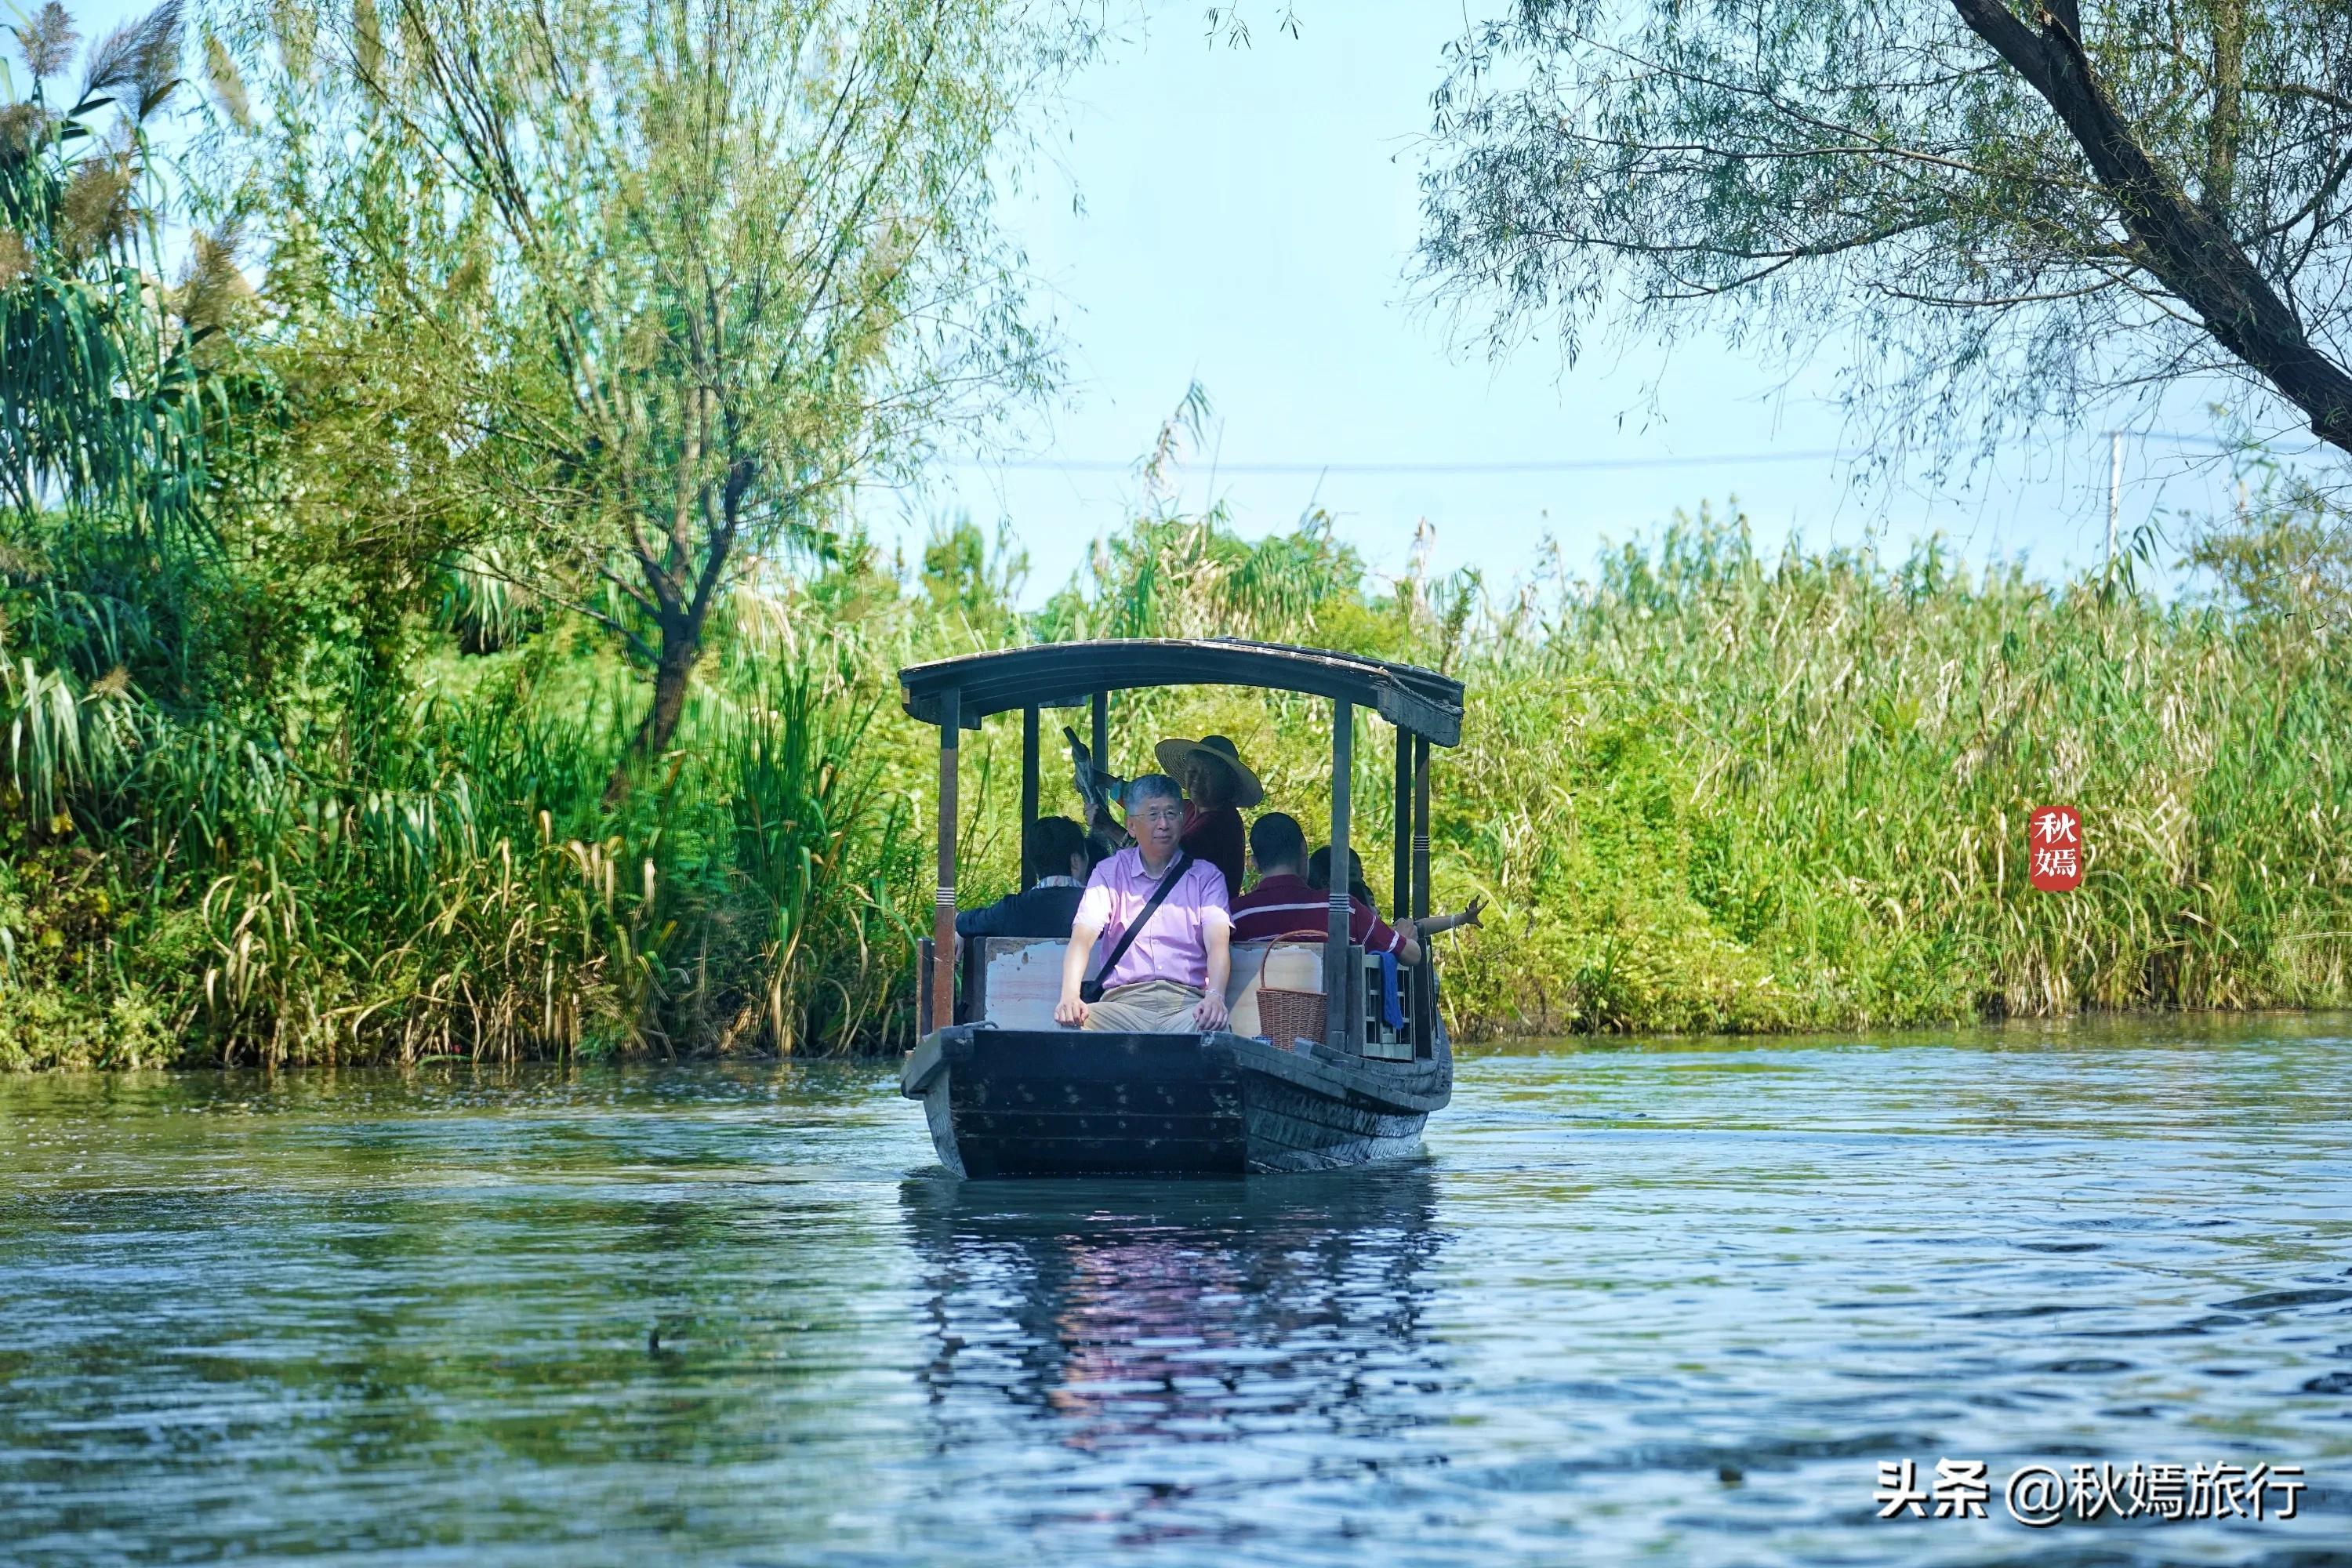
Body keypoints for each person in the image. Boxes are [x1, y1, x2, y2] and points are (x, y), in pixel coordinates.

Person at [1056, 775, 1233, 1033]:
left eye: (1171, 814)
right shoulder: (1109, 873)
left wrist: (1215, 996)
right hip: (1122, 1005)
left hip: (1186, 1006)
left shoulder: (1207, 877)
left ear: (1182, 821)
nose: (1163, 824)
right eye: (1153, 815)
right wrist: (1070, 996)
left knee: (1215, 1029)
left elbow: (1218, 944)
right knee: (1073, 1028)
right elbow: (1082, 939)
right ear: (1131, 825)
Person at [1236, 814, 1421, 963]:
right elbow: (1412, 955)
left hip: (1257, 1000)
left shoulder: (1234, 916)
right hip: (1331, 1001)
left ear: (1255, 864)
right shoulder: (1342, 908)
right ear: (1303, 850)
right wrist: (1403, 937)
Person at [1153, 734, 1262, 902]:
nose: (1197, 780)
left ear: (1226, 782)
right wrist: (1114, 786)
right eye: (1192, 771)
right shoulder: (1190, 808)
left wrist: (1111, 827)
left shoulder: (1220, 825)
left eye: (1208, 774)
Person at [1305, 843, 1486, 944]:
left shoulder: (1366, 924)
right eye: (1354, 877)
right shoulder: (1342, 917)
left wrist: (1461, 918)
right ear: (1325, 882)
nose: (1361, 884)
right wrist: (1402, 944)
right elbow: (1409, 944)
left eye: (1361, 878)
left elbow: (1417, 927)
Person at [954, 816, 1091, 942]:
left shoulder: (1011, 910)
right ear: (1075, 861)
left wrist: (958, 924)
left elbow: (965, 923)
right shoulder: (1097, 907)